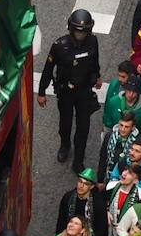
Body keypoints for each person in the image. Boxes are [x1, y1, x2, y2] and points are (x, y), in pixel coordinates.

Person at [38, 10, 102, 173]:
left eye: (83, 32)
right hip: (65, 91)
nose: (80, 35)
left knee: (83, 127)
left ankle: (78, 160)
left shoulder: (92, 41)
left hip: (84, 91)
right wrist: (41, 92)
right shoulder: (60, 45)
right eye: (77, 32)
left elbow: (95, 61)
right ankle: (65, 145)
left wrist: (97, 76)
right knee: (65, 123)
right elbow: (48, 69)